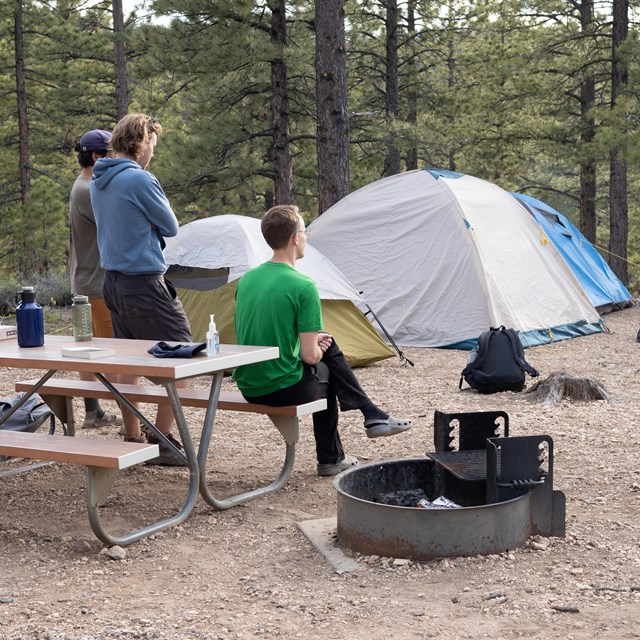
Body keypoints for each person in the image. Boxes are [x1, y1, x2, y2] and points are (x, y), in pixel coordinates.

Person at [233, 204, 411, 477]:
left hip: (248, 384)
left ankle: (371, 415)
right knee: (327, 372)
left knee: (327, 346)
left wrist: (317, 342)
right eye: (304, 232)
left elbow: (268, 332)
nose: (306, 238)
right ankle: (335, 453)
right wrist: (317, 346)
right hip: (279, 387)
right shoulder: (303, 286)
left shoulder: (247, 280)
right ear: (295, 238)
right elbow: (309, 357)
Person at [90, 113, 191, 466]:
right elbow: (170, 225)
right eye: (152, 145)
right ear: (140, 143)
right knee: (182, 360)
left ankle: (133, 435)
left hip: (113, 282)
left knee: (129, 362)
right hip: (144, 283)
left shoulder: (98, 179)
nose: (152, 153)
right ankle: (163, 443)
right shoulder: (139, 179)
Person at [69, 129, 123, 430]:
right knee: (113, 354)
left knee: (89, 349)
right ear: (96, 156)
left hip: (86, 281)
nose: (115, 159)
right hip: (97, 285)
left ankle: (94, 412)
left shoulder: (83, 185)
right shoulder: (89, 190)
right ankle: (133, 417)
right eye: (111, 153)